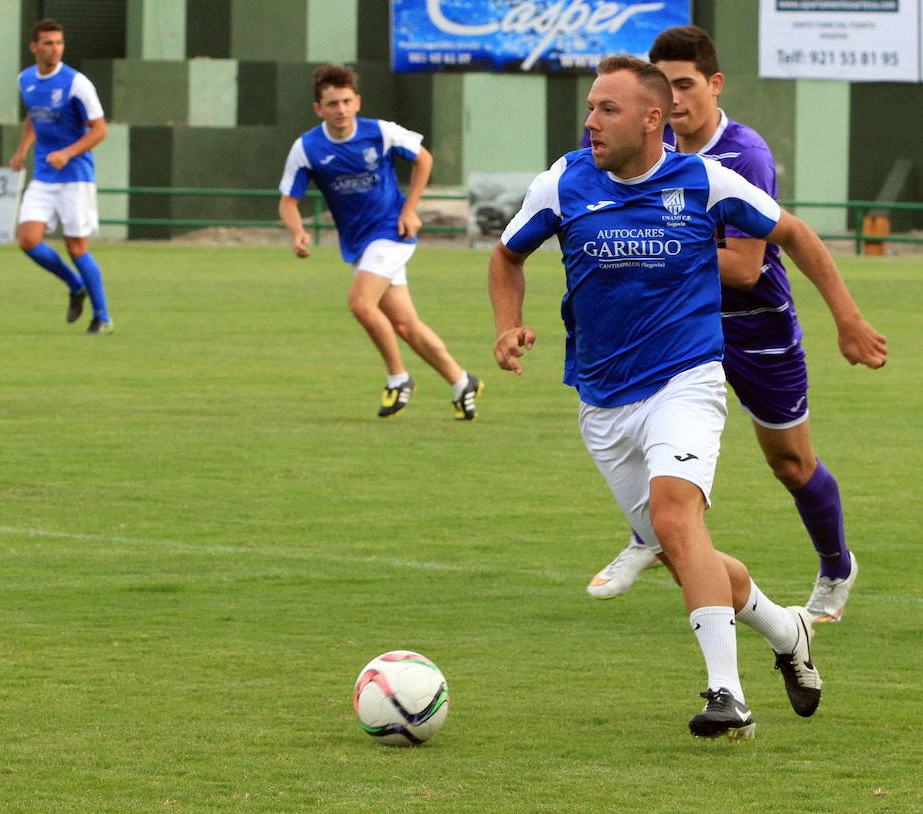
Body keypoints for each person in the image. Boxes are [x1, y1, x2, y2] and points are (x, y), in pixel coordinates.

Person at [489, 55, 835, 739]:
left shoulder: (703, 179)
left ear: (653, 119)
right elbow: (507, 256)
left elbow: (789, 232)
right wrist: (506, 326)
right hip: (602, 397)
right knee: (685, 552)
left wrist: (847, 318)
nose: (590, 121)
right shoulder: (562, 183)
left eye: (606, 109)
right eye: (589, 107)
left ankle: (725, 695)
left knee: (677, 519)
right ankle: (785, 627)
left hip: (687, 379)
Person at [585, 27, 888, 624]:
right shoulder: (637, 140)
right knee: (639, 434)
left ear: (715, 84)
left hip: (754, 327)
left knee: (790, 463)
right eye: (663, 87)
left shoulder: (742, 153)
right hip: (671, 331)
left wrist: (847, 319)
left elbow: (747, 268)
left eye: (685, 85)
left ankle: (835, 565)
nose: (673, 100)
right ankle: (647, 536)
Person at [277, 65, 483, 420]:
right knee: (405, 325)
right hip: (359, 242)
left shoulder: (381, 132)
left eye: (345, 101)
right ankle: (461, 380)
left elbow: (423, 158)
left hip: (392, 232)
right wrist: (297, 232)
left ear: (357, 102)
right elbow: (288, 200)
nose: (340, 109)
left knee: (360, 303)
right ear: (318, 109)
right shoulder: (307, 147)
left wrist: (411, 209)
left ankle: (398, 378)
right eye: (331, 104)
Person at [9, 18, 112, 335]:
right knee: (27, 240)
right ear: (34, 47)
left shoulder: (76, 83)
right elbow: (34, 116)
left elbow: (100, 130)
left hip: (75, 176)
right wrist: (22, 149)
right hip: (43, 175)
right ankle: (74, 284)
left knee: (76, 248)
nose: (55, 49)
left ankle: (103, 317)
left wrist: (68, 152)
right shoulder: (25, 79)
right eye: (48, 43)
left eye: (59, 43)